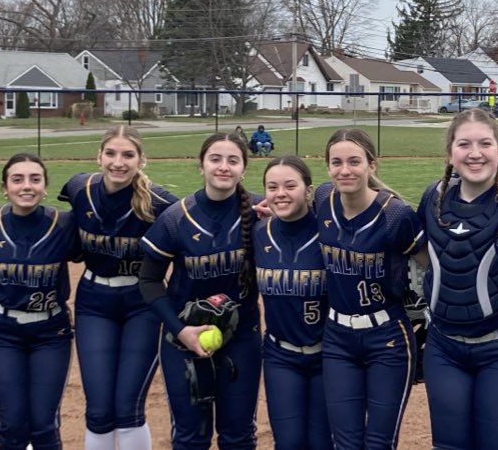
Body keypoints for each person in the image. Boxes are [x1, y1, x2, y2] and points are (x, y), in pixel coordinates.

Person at [415, 107, 498, 450]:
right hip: (445, 347)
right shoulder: (433, 197)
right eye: (464, 144)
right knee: (449, 445)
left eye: (485, 143)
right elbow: (416, 252)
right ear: (450, 153)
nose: (475, 153)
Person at [137, 133, 262, 450]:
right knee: (191, 436)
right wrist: (180, 331)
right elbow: (149, 281)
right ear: (201, 166)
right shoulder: (176, 218)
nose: (224, 167)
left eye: (233, 160)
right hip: (183, 340)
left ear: (243, 169)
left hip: (242, 337)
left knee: (239, 436)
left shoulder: (259, 212)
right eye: (215, 159)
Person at [58, 125, 179, 449]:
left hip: (143, 303)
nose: (118, 162)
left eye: (128, 155)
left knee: (127, 408)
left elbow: (204, 216)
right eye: (111, 153)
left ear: (141, 160)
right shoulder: (78, 188)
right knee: (98, 410)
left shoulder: (159, 203)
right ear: (98, 156)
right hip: (94, 301)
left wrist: (251, 207)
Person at [316, 128, 421, 450]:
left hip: (387, 337)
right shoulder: (323, 198)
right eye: (336, 162)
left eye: (354, 161)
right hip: (337, 338)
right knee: (345, 441)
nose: (344, 170)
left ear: (371, 165)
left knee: (379, 442)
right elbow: (286, 201)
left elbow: (428, 264)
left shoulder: (395, 215)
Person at [0, 153, 80, 450]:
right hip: (2, 331)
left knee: (43, 425)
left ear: (45, 187)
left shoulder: (64, 224)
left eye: (35, 179)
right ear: (4, 188)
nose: (27, 186)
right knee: (11, 425)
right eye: (17, 179)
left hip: (51, 333)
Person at [254, 155, 331, 450]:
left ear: (308, 190)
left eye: (290, 185)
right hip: (280, 355)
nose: (280, 193)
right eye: (272, 187)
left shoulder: (329, 232)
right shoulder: (259, 234)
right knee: (288, 443)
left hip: (329, 355)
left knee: (322, 442)